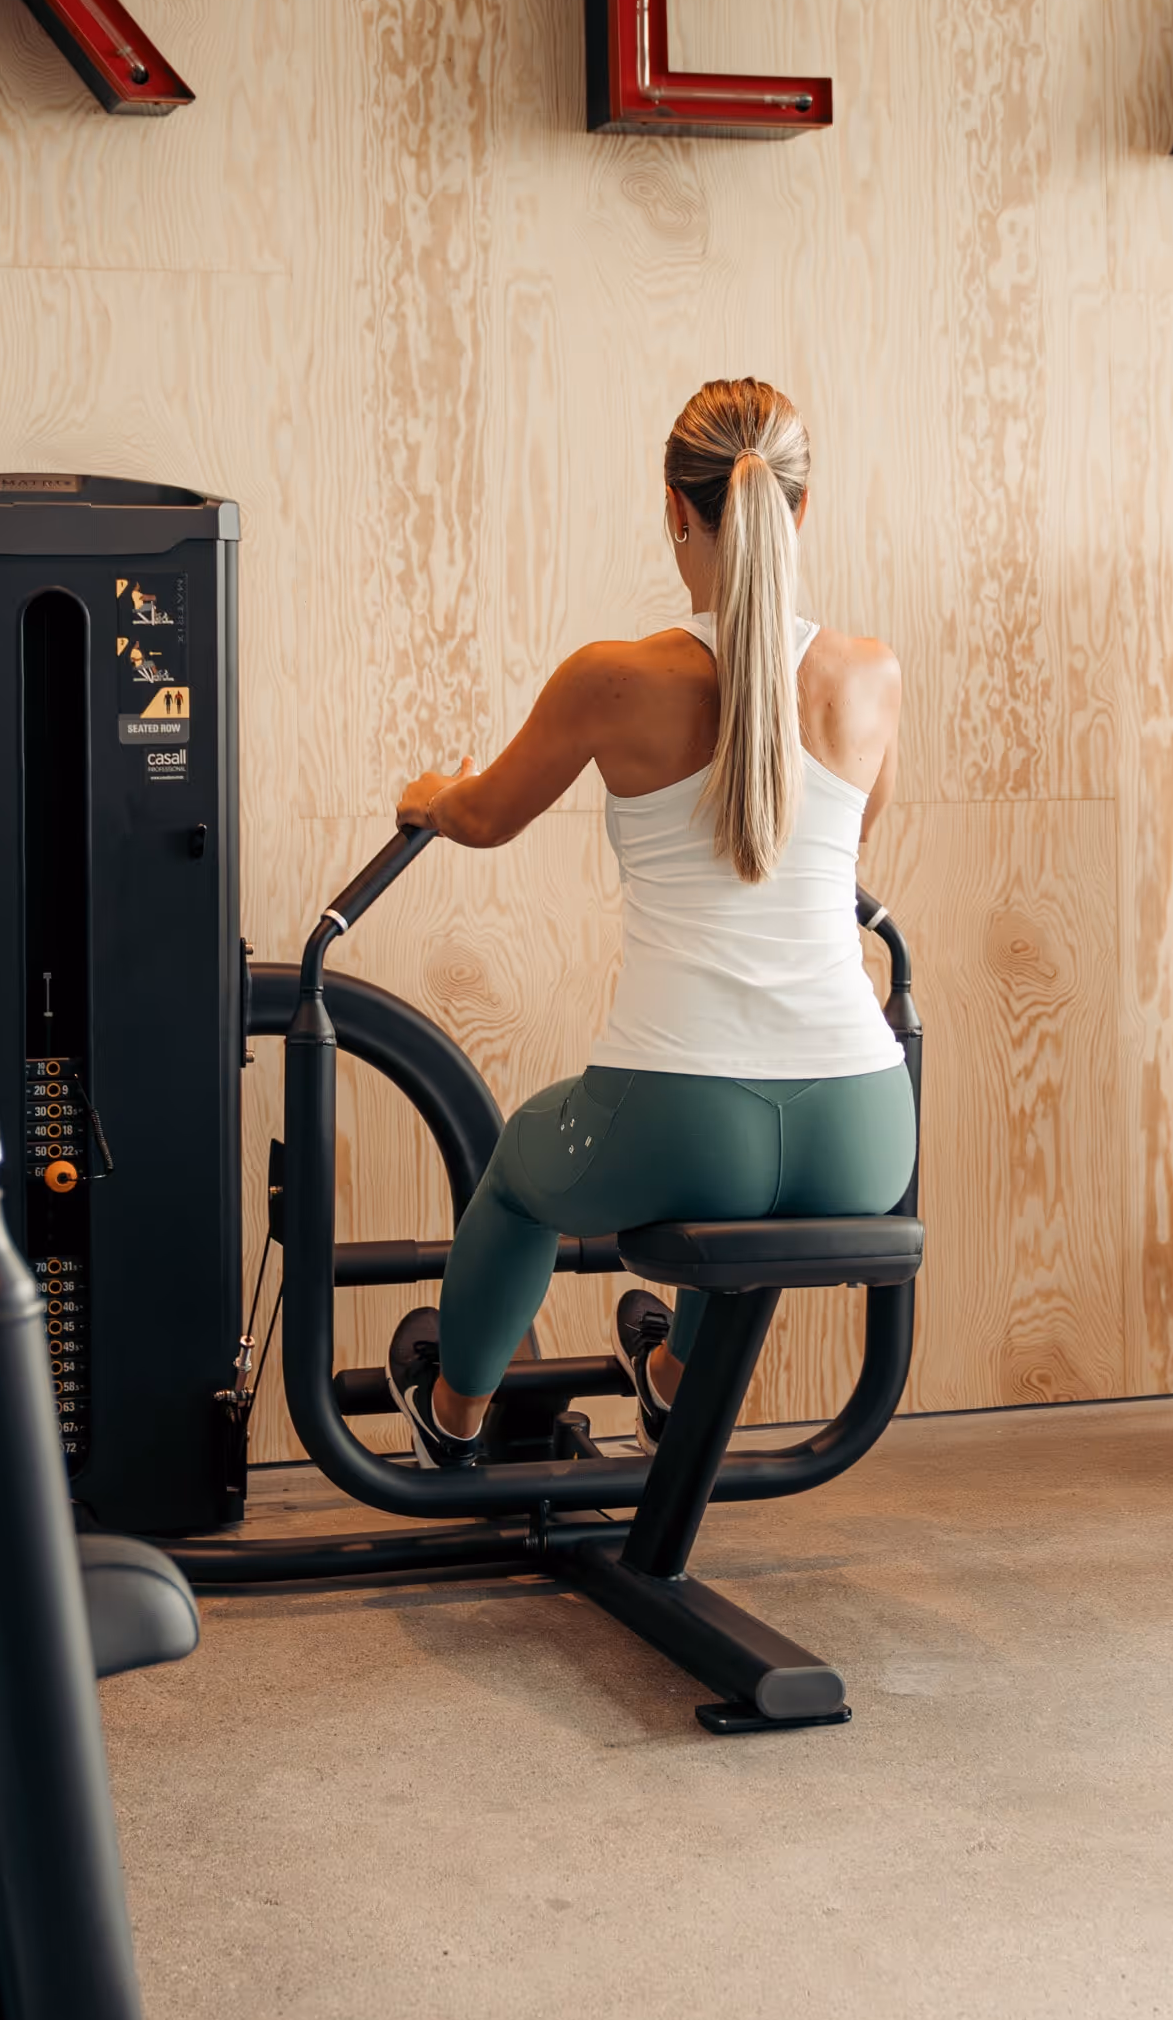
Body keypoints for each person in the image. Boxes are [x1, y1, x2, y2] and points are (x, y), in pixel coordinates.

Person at [384, 378, 913, 1468]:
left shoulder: (613, 678)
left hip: (683, 1116)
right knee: (750, 1221)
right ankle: (672, 1382)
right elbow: (847, 848)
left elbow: (483, 815)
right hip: (865, 1122)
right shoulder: (871, 675)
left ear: (677, 510)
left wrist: (433, 793)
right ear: (800, 512)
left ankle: (454, 1416)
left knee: (519, 1174)